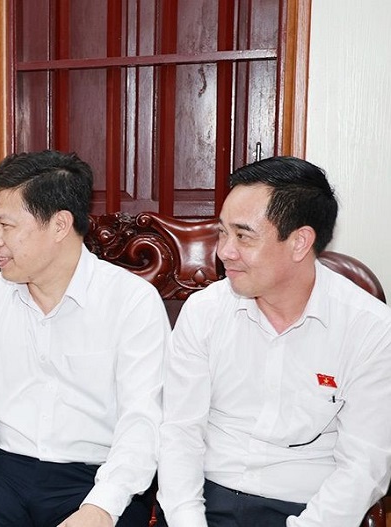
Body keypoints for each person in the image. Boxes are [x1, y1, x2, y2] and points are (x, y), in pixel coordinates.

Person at [0, 150, 169, 527]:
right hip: (4, 472)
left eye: (6, 225)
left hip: (99, 476)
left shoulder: (131, 302)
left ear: (60, 225)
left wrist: (101, 508)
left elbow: (143, 422)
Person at [157, 156, 391, 526]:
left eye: (243, 236)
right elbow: (179, 433)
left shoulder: (370, 329)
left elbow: (364, 466)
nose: (225, 251)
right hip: (205, 498)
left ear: (300, 242)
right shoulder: (205, 312)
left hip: (307, 507)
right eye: (222, 233)